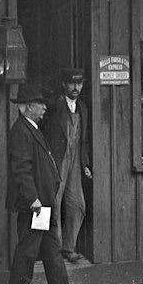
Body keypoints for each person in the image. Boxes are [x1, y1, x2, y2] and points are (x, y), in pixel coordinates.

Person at [6, 86, 82, 284]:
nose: (45, 108)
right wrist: (32, 199)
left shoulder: (32, 128)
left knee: (51, 247)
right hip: (35, 203)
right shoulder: (21, 131)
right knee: (29, 245)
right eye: (40, 104)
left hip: (44, 201)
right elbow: (21, 168)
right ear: (29, 107)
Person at [44, 69, 91, 263]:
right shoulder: (55, 105)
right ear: (64, 84)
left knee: (77, 205)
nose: (76, 88)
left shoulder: (83, 107)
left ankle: (68, 247)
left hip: (75, 162)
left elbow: (83, 140)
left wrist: (85, 163)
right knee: (54, 204)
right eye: (72, 83)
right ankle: (55, 250)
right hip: (57, 159)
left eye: (79, 83)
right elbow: (44, 133)